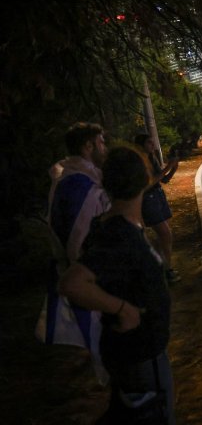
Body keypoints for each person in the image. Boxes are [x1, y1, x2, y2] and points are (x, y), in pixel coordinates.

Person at [58, 145, 175, 424]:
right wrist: (123, 309)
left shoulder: (115, 225)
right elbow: (73, 283)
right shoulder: (119, 234)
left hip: (132, 354)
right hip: (140, 357)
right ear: (144, 180)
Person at [41, 122, 111, 380]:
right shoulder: (78, 185)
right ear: (88, 146)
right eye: (101, 142)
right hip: (89, 274)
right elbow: (79, 237)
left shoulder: (74, 178)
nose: (105, 148)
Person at [134, 134, 181, 284]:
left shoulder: (151, 157)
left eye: (153, 143)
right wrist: (167, 167)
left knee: (164, 236)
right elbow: (147, 184)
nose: (153, 146)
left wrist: (173, 169)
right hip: (149, 200)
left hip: (158, 195)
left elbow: (163, 180)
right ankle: (166, 270)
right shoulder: (140, 161)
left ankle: (164, 267)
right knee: (165, 235)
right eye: (149, 143)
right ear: (141, 145)